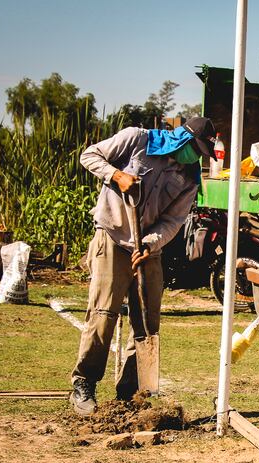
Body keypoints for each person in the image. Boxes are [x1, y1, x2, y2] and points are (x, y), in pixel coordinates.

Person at [69, 117, 218, 415]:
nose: (196, 157)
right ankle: (83, 383)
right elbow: (89, 156)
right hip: (112, 235)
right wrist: (115, 175)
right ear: (182, 138)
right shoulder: (137, 140)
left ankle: (132, 392)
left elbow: (173, 220)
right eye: (195, 149)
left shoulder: (189, 179)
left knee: (148, 324)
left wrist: (150, 245)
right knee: (103, 313)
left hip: (149, 249)